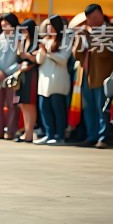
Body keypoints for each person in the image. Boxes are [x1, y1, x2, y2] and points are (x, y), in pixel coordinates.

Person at [73, 4, 113, 148]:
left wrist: (90, 39)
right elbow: (77, 55)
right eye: (90, 18)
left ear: (102, 15)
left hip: (102, 76)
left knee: (101, 109)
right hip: (86, 75)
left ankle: (103, 137)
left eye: (96, 17)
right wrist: (79, 40)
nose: (93, 21)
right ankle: (91, 135)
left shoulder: (110, 31)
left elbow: (105, 53)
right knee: (89, 108)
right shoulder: (87, 32)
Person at [35, 15, 72, 145]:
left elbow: (63, 60)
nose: (48, 28)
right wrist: (41, 51)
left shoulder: (65, 39)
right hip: (44, 81)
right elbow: (39, 60)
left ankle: (59, 136)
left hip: (58, 80)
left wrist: (48, 52)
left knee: (58, 109)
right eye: (47, 26)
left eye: (51, 25)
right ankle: (48, 134)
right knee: (44, 108)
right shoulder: (45, 39)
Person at [0, 13, 20, 140]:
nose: (4, 25)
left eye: (7, 22)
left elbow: (19, 58)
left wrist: (8, 71)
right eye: (2, 22)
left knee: (12, 104)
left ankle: (11, 131)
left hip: (12, 76)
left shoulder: (19, 38)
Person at [12, 19, 39, 143]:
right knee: (22, 103)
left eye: (24, 29)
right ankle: (26, 131)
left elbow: (37, 59)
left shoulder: (36, 41)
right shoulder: (23, 41)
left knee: (30, 103)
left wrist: (25, 55)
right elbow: (18, 58)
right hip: (22, 74)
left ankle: (29, 133)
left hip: (31, 74)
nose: (23, 31)